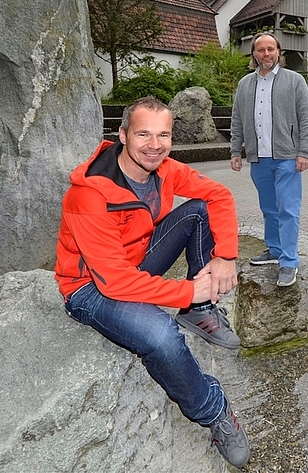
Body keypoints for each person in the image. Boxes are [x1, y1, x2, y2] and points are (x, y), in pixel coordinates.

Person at [54, 96, 249, 468]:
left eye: (163, 135)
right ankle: (214, 409)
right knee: (161, 337)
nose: (155, 145)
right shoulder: (88, 195)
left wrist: (225, 256)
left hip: (136, 263)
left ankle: (199, 311)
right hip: (89, 287)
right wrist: (188, 288)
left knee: (201, 211)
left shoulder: (163, 168)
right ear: (123, 135)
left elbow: (219, 195)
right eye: (143, 134)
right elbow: (114, 283)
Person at [229, 32, 308, 287]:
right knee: (269, 209)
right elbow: (237, 120)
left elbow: (307, 119)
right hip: (259, 159)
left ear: (279, 52)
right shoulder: (245, 84)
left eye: (270, 49)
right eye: (260, 50)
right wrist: (236, 151)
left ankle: (289, 261)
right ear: (254, 55)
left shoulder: (294, 81)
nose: (266, 54)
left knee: (288, 210)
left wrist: (304, 152)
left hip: (287, 157)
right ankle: (275, 250)